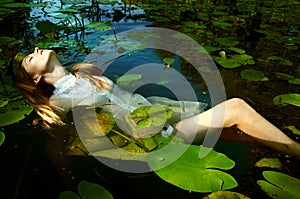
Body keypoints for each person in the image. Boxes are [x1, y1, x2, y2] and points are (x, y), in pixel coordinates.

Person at [15, 47, 300, 157]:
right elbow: (75, 139)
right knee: (236, 107)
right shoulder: (63, 101)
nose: (37, 49)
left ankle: (279, 149)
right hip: (157, 136)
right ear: (36, 79)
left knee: (231, 128)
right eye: (31, 58)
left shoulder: (82, 79)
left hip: (160, 116)